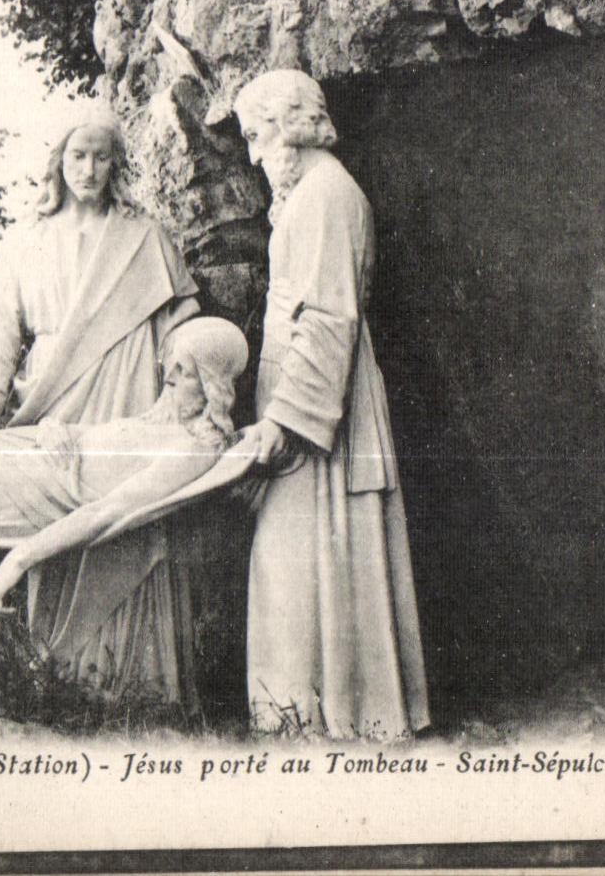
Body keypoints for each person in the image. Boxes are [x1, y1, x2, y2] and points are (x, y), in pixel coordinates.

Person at [0, 108, 201, 703]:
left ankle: (144, 685)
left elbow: (182, 315)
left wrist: (181, 378)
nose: (89, 168)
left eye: (102, 156)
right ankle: (65, 681)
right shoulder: (29, 239)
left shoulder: (144, 236)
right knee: (61, 514)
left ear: (117, 163)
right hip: (57, 398)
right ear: (57, 159)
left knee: (130, 516)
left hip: (132, 388)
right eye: (77, 155)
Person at [232, 69, 429, 740]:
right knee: (300, 558)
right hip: (307, 391)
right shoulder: (310, 194)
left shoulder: (326, 196)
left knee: (303, 557)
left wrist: (287, 422)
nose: (254, 153)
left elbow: (329, 317)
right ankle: (319, 714)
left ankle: (329, 719)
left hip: (322, 406)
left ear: (288, 126)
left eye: (257, 135)